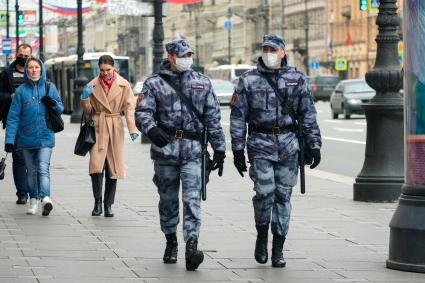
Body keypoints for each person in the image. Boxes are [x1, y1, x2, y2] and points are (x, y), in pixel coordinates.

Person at [230, 34, 322, 268]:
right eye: (265, 48)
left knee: (283, 197)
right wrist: (237, 150)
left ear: (282, 52)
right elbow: (238, 117)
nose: (268, 53)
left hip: (289, 145)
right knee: (264, 193)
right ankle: (262, 235)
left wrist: (314, 144)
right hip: (260, 143)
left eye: (273, 49)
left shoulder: (297, 78)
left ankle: (278, 248)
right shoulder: (248, 80)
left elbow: (308, 114)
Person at [135, 37, 226, 271]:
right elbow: (142, 112)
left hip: (194, 152)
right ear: (171, 57)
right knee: (167, 200)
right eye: (182, 56)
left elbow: (213, 119)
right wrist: (152, 130)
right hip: (165, 151)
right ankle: (171, 240)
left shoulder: (202, 82)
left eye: (189, 55)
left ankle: (192, 246)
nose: (187, 59)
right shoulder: (154, 83)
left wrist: (220, 149)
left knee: (192, 200)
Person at [80, 55, 139, 218]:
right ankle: (97, 203)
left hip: (114, 125)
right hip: (97, 125)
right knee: (96, 166)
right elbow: (87, 111)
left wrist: (132, 128)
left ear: (114, 68)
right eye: (102, 70)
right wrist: (84, 98)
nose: (105, 73)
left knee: (114, 167)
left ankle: (108, 205)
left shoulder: (124, 84)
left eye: (108, 70)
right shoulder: (92, 84)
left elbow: (129, 108)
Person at [4, 57, 64, 216]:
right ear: (26, 70)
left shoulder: (50, 87)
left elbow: (60, 108)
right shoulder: (21, 91)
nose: (34, 70)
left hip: (46, 136)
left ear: (42, 69)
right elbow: (13, 117)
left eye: (37, 67)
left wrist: (52, 103)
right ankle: (33, 200)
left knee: (43, 168)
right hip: (25, 138)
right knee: (31, 171)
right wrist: (9, 140)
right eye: (30, 67)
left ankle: (45, 199)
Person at [0, 43, 32, 205]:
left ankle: (33, 190)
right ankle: (22, 193)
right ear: (16, 54)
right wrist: (9, 97)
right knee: (19, 157)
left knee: (32, 159)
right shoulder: (7, 73)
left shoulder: (36, 71)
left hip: (34, 122)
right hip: (14, 120)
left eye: (27, 56)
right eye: (21, 55)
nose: (24, 58)